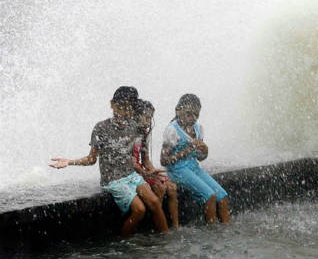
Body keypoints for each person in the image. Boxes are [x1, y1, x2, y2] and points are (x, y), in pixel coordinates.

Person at [49, 86, 169, 236]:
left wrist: (147, 172)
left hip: (131, 176)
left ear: (132, 110)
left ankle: (166, 239)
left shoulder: (135, 127)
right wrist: (70, 162)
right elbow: (92, 159)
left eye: (127, 109)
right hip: (113, 180)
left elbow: (137, 158)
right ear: (111, 104)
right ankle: (126, 244)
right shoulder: (101, 128)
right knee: (139, 210)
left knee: (155, 203)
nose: (122, 113)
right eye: (119, 107)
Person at [161, 94, 231, 224]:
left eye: (196, 115)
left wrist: (205, 151)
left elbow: (200, 157)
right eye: (188, 114)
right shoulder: (172, 130)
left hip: (194, 167)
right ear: (178, 110)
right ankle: (212, 232)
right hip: (177, 171)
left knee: (222, 196)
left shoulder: (198, 128)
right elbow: (163, 160)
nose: (192, 118)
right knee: (210, 196)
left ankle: (226, 229)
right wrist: (185, 151)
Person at [132, 99, 179, 229]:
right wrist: (147, 174)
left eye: (150, 118)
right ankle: (155, 226)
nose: (148, 122)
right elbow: (131, 163)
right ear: (136, 115)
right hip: (133, 171)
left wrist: (154, 172)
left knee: (171, 187)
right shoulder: (128, 133)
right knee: (160, 188)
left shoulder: (145, 133)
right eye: (146, 117)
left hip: (142, 169)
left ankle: (175, 226)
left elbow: (146, 159)